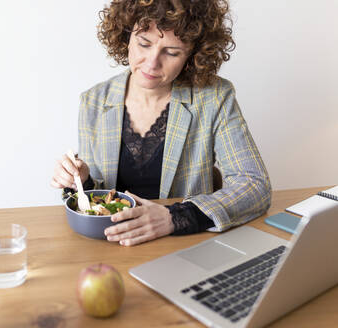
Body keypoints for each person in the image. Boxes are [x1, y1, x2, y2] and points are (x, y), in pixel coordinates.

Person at [50, 0, 271, 246]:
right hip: (114, 244)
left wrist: (173, 218)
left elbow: (254, 185)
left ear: (191, 55)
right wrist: (81, 181)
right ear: (126, 35)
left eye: (172, 52)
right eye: (144, 43)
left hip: (185, 245)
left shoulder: (214, 97)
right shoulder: (94, 101)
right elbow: (101, 196)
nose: (152, 62)